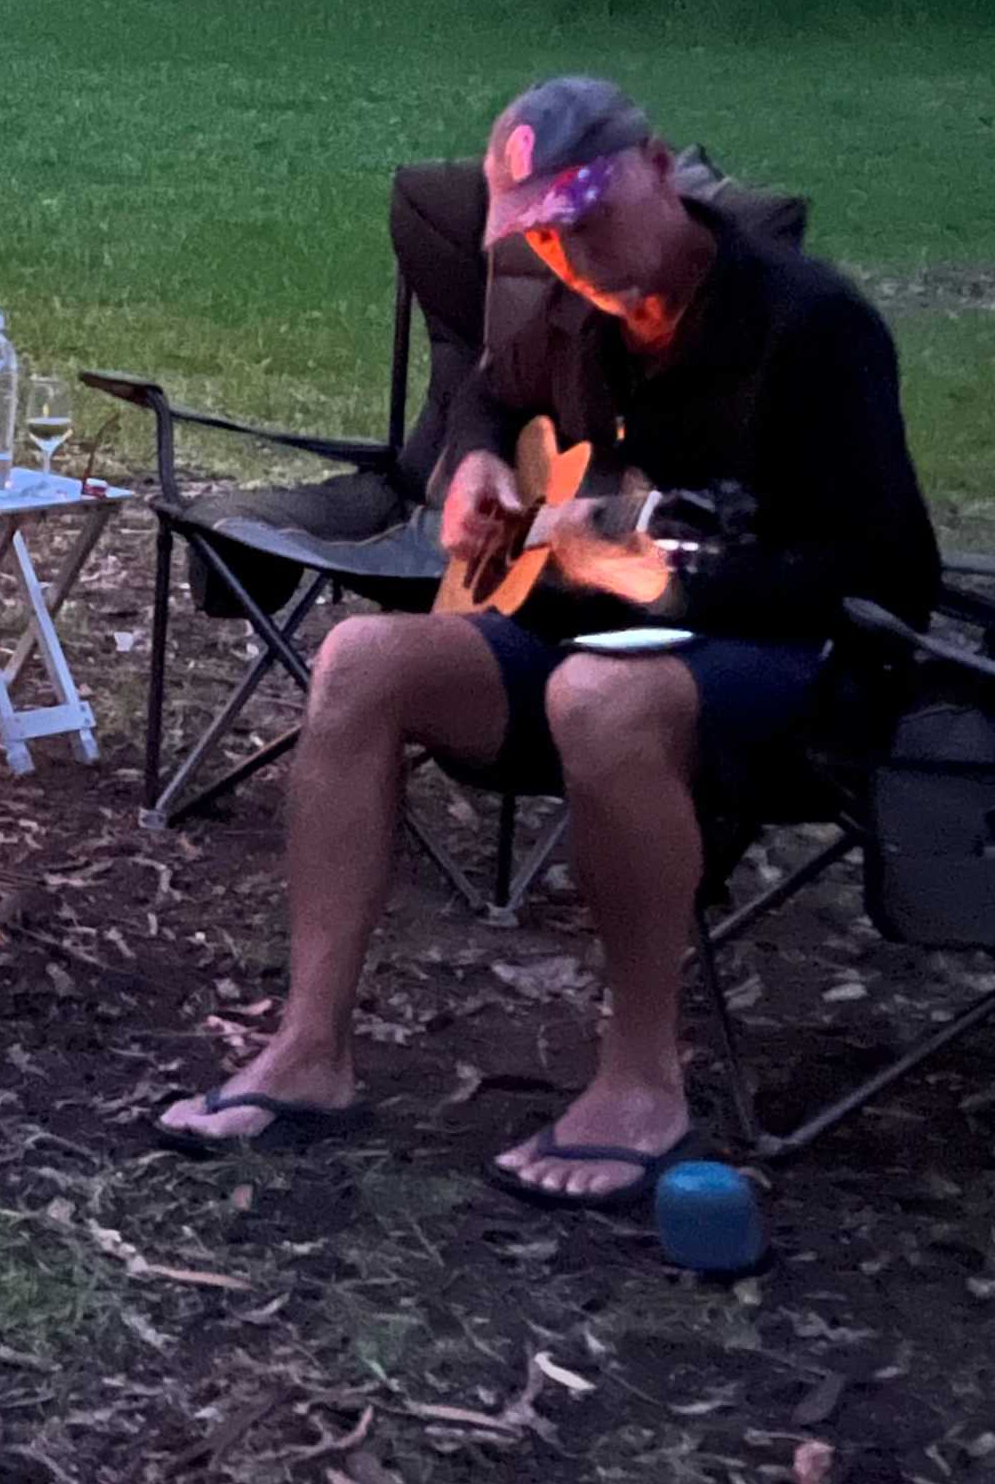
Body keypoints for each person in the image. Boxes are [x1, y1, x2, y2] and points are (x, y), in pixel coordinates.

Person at [156, 77, 940, 1205]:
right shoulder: (574, 314)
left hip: (786, 670)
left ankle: (640, 1079)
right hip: (580, 643)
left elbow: (882, 572)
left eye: (590, 213)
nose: (572, 248)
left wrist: (656, 560)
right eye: (544, 232)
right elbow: (483, 400)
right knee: (360, 664)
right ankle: (309, 1051)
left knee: (597, 697)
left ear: (661, 169)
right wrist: (471, 467)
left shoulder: (809, 324)